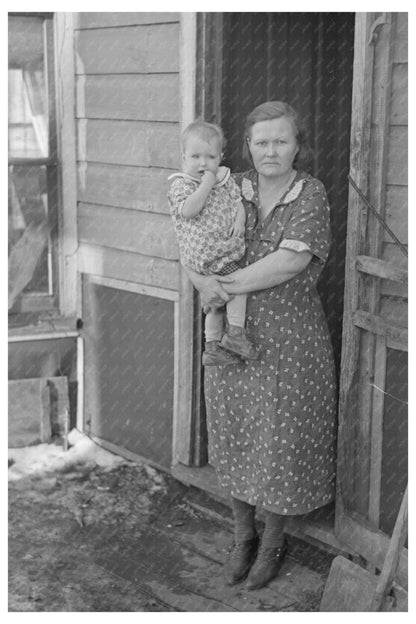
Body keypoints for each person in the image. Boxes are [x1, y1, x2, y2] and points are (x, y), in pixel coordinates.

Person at [183, 101, 337, 590]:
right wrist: (197, 278)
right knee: (234, 430)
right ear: (246, 145)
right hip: (231, 338)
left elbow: (289, 264)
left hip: (290, 341)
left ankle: (272, 541)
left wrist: (222, 286)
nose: (271, 150)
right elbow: (186, 235)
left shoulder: (310, 193)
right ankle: (242, 537)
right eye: (261, 141)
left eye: (281, 140)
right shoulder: (227, 186)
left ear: (298, 145)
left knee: (278, 440)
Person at [168, 120, 258, 365]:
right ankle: (236, 334)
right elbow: (188, 211)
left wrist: (240, 220)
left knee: (215, 303)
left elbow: (236, 201)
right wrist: (207, 184)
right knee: (237, 286)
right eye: (195, 156)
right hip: (207, 255)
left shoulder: (225, 180)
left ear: (221, 157)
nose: (203, 163)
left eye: (210, 157)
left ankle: (212, 347)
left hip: (218, 252)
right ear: (183, 157)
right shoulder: (181, 185)